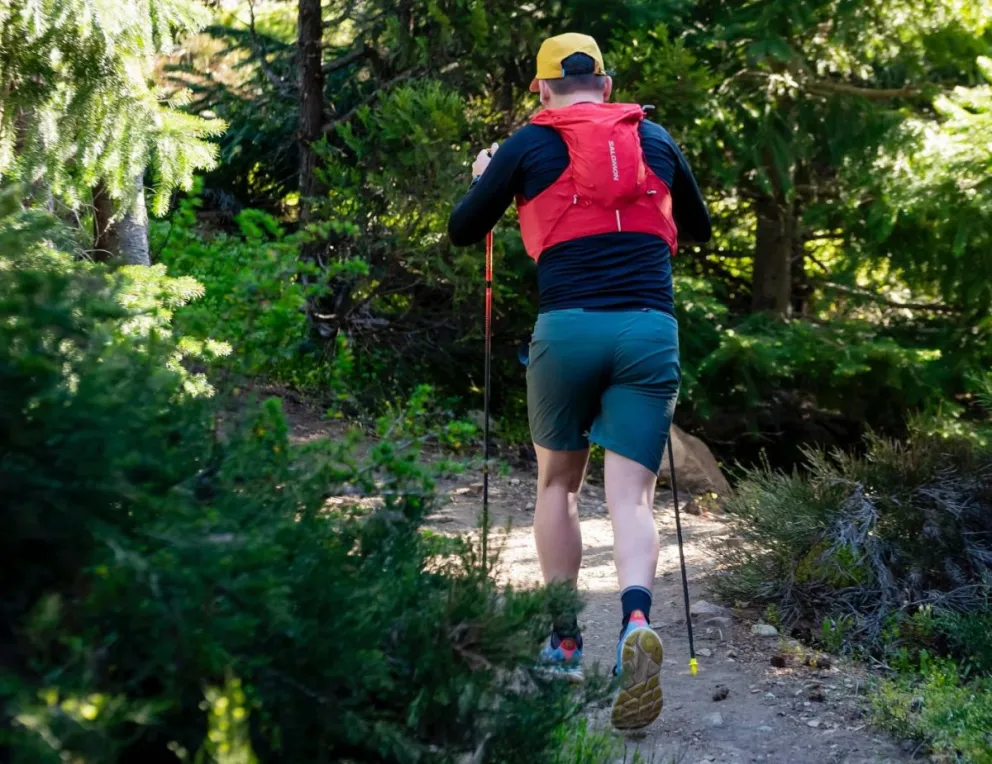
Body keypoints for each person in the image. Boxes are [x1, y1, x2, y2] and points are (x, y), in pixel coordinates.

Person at [446, 32, 711, 731]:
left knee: (558, 485)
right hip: (649, 330)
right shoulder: (653, 137)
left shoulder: (527, 144)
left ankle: (562, 642)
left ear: (542, 89)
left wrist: (485, 180)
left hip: (567, 330)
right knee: (632, 495)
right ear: (607, 82)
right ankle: (634, 623)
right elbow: (701, 229)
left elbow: (462, 230)